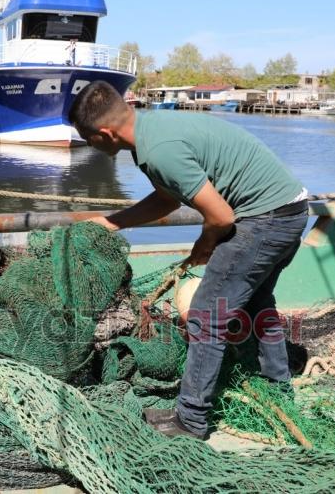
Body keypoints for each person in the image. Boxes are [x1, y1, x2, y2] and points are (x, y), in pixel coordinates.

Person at [68, 81, 308, 440]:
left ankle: (191, 420)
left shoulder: (159, 150)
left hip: (265, 220)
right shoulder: (150, 134)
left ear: (104, 134)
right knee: (257, 301)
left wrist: (205, 243)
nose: (88, 145)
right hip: (290, 211)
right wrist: (112, 221)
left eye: (87, 138)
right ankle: (277, 386)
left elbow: (222, 217)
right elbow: (168, 199)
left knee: (207, 317)